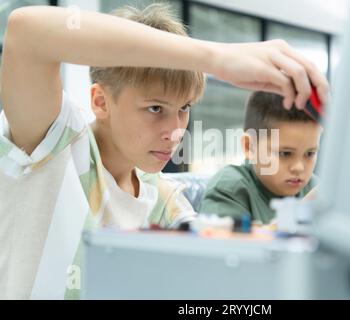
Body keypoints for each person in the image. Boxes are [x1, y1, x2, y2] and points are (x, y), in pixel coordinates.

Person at [0, 4, 329, 299]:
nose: (175, 131)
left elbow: (214, 264)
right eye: (155, 108)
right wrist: (218, 58)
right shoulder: (57, 142)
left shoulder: (162, 198)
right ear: (100, 101)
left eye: (184, 108)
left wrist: (312, 212)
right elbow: (26, 31)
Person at [200, 91, 322, 224]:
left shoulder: (316, 189)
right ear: (249, 146)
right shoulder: (228, 189)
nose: (299, 167)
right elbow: (227, 242)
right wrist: (298, 214)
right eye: (285, 153)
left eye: (310, 153)